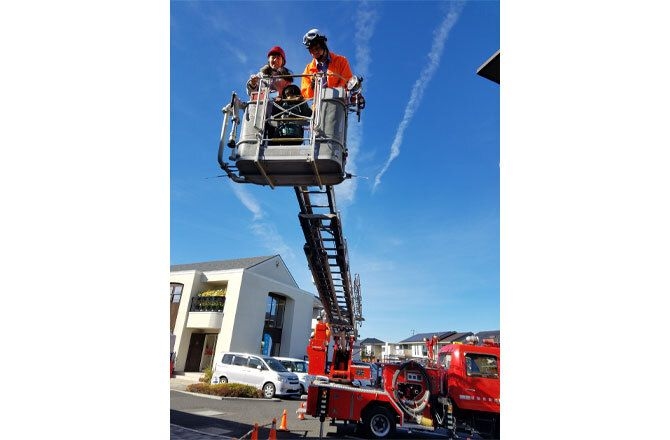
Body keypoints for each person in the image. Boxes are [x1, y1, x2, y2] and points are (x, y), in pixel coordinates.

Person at [300, 28, 365, 109]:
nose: (314, 53)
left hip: (337, 108)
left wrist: (353, 96)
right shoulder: (308, 69)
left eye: (317, 48)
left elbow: (347, 85)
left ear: (323, 44)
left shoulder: (341, 61)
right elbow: (306, 95)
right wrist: (312, 86)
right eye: (311, 51)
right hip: (317, 111)